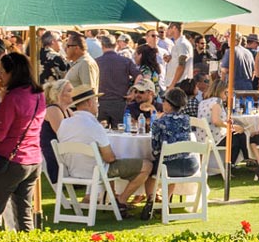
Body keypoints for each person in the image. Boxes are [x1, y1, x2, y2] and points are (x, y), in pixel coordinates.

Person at [57, 88, 152, 216]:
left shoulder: (64, 123)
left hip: (71, 171)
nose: (98, 104)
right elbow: (110, 158)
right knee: (147, 165)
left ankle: (114, 200)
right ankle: (121, 200)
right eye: (96, 101)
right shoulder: (94, 126)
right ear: (89, 102)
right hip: (97, 172)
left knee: (105, 164)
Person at [0, 52, 44, 231]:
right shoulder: (38, 94)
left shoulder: (13, 97)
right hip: (34, 159)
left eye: (2, 72)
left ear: (12, 72)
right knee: (23, 214)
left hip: (11, 160)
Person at [148, 88, 200, 216]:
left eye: (164, 100)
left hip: (170, 167)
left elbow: (155, 149)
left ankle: (151, 200)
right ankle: (165, 202)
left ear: (169, 104)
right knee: (173, 163)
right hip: (190, 166)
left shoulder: (159, 122)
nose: (162, 102)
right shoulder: (187, 120)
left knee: (150, 170)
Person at [94, 36, 137, 125]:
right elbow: (139, 76)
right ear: (116, 45)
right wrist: (133, 91)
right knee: (120, 133)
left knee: (103, 133)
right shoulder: (125, 61)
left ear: (102, 46)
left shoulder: (96, 62)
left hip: (101, 103)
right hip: (120, 102)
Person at [39, 79, 73, 186]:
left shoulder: (67, 110)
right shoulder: (53, 109)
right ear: (60, 94)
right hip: (55, 155)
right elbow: (63, 135)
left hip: (64, 152)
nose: (73, 93)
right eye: (70, 90)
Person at [63, 32, 99, 97]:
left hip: (80, 106)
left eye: (68, 46)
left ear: (77, 48)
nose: (65, 49)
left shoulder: (85, 63)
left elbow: (89, 91)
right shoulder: (79, 62)